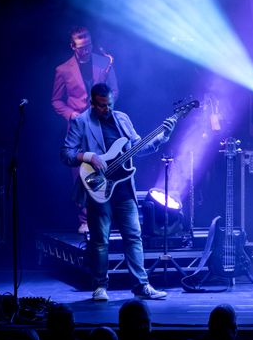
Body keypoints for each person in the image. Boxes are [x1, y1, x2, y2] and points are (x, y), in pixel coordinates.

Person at [61, 82, 172, 301]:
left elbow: (138, 147)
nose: (107, 109)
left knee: (134, 236)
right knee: (100, 241)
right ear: (92, 103)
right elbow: (66, 154)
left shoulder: (122, 119)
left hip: (123, 189)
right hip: (98, 189)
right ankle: (100, 286)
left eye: (110, 104)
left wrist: (161, 138)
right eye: (102, 106)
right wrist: (88, 156)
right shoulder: (81, 121)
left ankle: (141, 286)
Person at [51, 26, 118, 233]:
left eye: (89, 46)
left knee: (107, 169)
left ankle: (106, 216)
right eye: (82, 48)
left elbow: (114, 90)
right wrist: (72, 114)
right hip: (79, 126)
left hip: (102, 123)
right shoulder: (62, 70)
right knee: (80, 173)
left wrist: (105, 106)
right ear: (73, 46)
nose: (87, 50)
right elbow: (56, 101)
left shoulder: (104, 62)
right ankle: (84, 219)